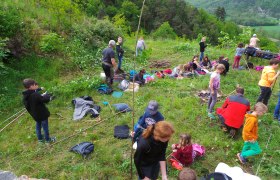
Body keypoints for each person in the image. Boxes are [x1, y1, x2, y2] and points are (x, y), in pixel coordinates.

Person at [22, 79, 55, 144]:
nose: (36, 85)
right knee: (45, 128)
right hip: (42, 114)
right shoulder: (35, 95)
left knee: (38, 127)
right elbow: (44, 100)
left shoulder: (25, 96)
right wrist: (48, 96)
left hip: (35, 115)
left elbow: (36, 99)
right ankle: (48, 140)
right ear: (31, 86)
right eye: (35, 84)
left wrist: (40, 92)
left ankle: (40, 140)